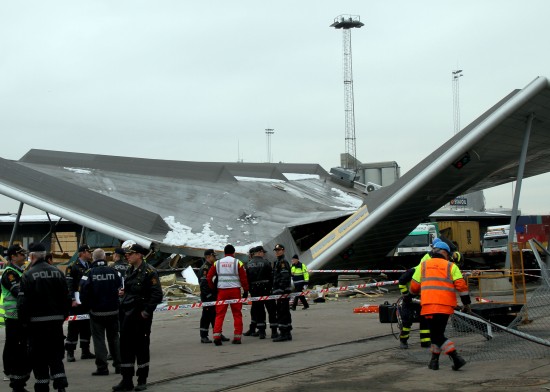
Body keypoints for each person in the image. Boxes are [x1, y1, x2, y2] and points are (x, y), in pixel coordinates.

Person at [409, 241, 471, 371]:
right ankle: (434, 361)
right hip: (446, 307)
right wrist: (467, 304)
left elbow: (414, 287)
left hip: (429, 306)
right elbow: (462, 287)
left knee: (436, 335)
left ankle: (456, 357)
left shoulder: (423, 266)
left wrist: (410, 294)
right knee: (438, 333)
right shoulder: (451, 266)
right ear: (444, 253)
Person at [17, 242, 71, 392]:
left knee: (39, 357)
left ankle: (42, 386)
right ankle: (61, 385)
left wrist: (24, 323)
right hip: (55, 323)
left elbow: (22, 303)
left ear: (32, 256)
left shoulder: (28, 275)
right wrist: (62, 316)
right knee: (55, 355)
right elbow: (66, 298)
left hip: (36, 325)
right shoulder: (58, 272)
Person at [114, 242, 163, 392]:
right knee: (126, 347)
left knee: (141, 347)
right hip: (127, 314)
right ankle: (126, 379)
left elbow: (157, 295)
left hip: (140, 316)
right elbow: (131, 290)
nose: (127, 256)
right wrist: (124, 293)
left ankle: (142, 379)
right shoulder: (130, 270)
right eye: (126, 254)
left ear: (139, 255)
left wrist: (146, 312)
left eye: (130, 254)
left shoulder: (149, 272)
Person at [79, 248, 123, 376]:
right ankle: (119, 365)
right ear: (104, 258)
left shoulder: (89, 273)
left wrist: (88, 306)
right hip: (113, 311)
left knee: (99, 340)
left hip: (96, 312)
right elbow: (119, 285)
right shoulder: (114, 271)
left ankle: (102, 367)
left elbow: (83, 292)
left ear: (93, 258)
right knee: (114, 338)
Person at [1, 244, 31, 392]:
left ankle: (17, 374)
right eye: (20, 254)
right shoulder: (10, 273)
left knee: (21, 346)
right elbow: (18, 292)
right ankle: (10, 372)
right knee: (13, 345)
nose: (23, 256)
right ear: (13, 256)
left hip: (22, 315)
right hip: (14, 316)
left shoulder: (21, 272)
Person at [207, 244, 249, 346]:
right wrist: (246, 290)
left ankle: (217, 336)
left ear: (224, 253)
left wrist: (213, 288)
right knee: (237, 314)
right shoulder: (238, 263)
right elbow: (243, 278)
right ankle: (237, 337)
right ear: (233, 253)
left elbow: (209, 277)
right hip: (235, 291)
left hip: (222, 291)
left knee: (220, 314)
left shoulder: (217, 263)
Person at [64, 244, 95, 362]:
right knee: (74, 327)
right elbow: (69, 285)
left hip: (87, 301)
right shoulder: (73, 267)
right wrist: (72, 299)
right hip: (76, 302)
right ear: (82, 253)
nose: (90, 254)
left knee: (86, 327)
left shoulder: (90, 266)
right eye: (88, 252)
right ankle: (70, 352)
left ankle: (85, 351)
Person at [244, 246, 276, 339]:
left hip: (255, 290)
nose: (264, 254)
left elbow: (247, 279)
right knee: (271, 310)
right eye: (263, 252)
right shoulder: (266, 263)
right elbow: (271, 277)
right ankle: (274, 331)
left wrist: (249, 290)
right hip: (266, 289)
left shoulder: (249, 264)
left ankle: (262, 332)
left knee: (259, 311)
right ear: (259, 252)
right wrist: (271, 288)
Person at [198, 249, 229, 344]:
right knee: (206, 315)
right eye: (213, 256)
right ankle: (203, 335)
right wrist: (209, 295)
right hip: (207, 296)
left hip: (214, 295)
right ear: (208, 257)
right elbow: (203, 284)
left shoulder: (213, 266)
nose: (215, 258)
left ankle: (218, 333)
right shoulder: (205, 268)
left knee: (215, 315)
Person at [397, 266, 430, 349]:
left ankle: (425, 342)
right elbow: (401, 282)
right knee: (407, 321)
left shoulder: (429, 271)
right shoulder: (413, 271)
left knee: (425, 320)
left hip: (422, 299)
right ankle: (403, 340)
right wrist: (406, 295)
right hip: (409, 299)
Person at [272, 244, 293, 342]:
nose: (277, 252)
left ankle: (284, 333)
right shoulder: (278, 262)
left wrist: (279, 290)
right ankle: (287, 332)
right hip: (282, 291)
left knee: (282, 312)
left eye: (279, 250)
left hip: (282, 292)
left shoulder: (282, 262)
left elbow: (284, 277)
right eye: (276, 250)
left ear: (283, 251)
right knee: (284, 311)